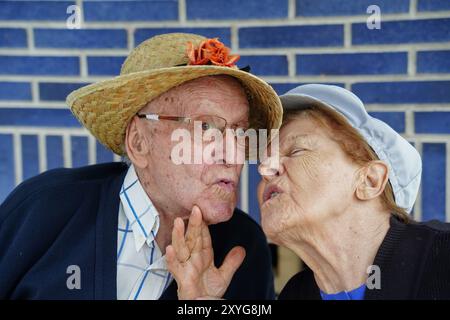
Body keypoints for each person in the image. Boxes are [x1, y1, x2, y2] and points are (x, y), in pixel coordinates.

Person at [0, 33, 283, 300]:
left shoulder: (243, 249)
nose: (233, 154)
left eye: (240, 131)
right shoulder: (46, 208)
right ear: (138, 142)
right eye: (206, 126)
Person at [166, 84, 450, 300]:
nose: (265, 169)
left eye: (297, 150)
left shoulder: (442, 259)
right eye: (264, 160)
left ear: (370, 181)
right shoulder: (296, 295)